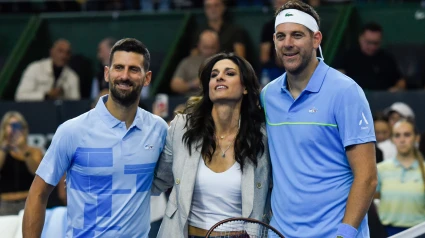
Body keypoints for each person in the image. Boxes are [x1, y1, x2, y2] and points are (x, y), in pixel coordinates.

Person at [23, 38, 168, 238]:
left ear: (147, 78)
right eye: (119, 68)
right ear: (107, 73)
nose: (125, 76)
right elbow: (38, 194)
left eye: (134, 69)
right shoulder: (72, 131)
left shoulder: (158, 129)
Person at [261, 1, 377, 237]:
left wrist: (344, 234)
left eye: (297, 35)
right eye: (281, 36)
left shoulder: (346, 92)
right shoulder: (268, 95)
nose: (288, 44)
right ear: (274, 41)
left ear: (316, 39)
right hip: (280, 233)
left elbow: (367, 177)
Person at [152, 53, 271, 238]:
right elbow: (158, 181)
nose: (219, 77)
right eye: (214, 75)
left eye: (229, 73)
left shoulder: (263, 136)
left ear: (245, 87)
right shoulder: (182, 128)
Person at [376, 119, 425, 236]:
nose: (402, 140)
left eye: (407, 135)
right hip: (388, 232)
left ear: (416, 138)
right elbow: (374, 201)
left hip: (419, 232)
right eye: (397, 135)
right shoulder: (380, 169)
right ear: (392, 139)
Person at [335, 22, 406, 92]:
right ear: (360, 38)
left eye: (376, 43)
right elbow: (338, 78)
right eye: (368, 42)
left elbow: (400, 81)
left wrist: (396, 90)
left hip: (383, 99)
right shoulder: (347, 56)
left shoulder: (387, 58)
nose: (372, 47)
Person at [0, 111, 43, 215]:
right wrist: (4, 148)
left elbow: (37, 172)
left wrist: (23, 148)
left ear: (24, 129)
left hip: (28, 202)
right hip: (5, 203)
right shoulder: (2, 150)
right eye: (10, 125)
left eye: (17, 125)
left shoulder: (34, 151)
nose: (14, 129)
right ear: (4, 128)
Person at [15, 39, 81, 101]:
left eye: (67, 53)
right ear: (52, 51)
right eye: (60, 51)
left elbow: (75, 103)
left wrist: (63, 94)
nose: (63, 56)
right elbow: (20, 96)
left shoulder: (72, 77)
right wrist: (46, 95)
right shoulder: (35, 68)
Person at [170, 30, 219, 95]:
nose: (209, 51)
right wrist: (192, 85)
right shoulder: (188, 62)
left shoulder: (224, 62)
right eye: (206, 47)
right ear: (199, 45)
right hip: (193, 100)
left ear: (218, 46)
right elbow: (175, 85)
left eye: (212, 48)